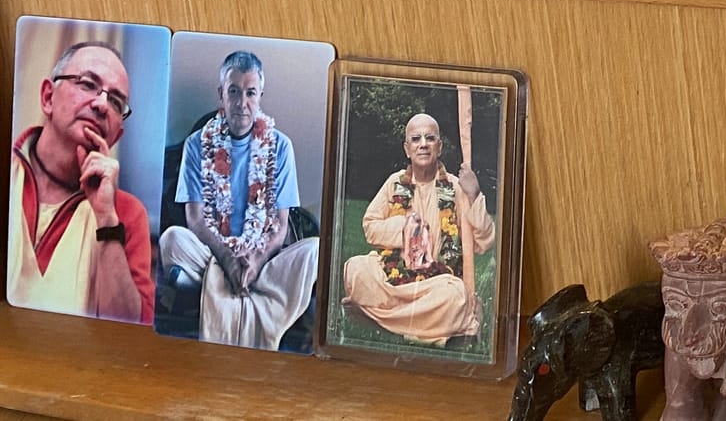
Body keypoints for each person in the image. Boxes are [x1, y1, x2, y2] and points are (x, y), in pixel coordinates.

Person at [159, 50, 318, 348]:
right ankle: (238, 284)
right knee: (171, 240)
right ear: (221, 93)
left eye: (250, 93)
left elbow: (281, 224)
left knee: (315, 251)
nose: (241, 103)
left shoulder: (281, 146)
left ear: (260, 96)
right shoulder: (196, 144)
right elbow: (195, 219)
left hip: (264, 259)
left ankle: (225, 284)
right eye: (233, 91)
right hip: (212, 253)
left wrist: (255, 260)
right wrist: (228, 258)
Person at [8, 40, 153, 323]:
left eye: (116, 101)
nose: (101, 105)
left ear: (116, 136)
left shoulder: (127, 213)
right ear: (48, 97)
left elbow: (127, 333)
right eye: (87, 84)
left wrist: (106, 219)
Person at [341, 113, 494, 346]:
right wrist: (405, 229)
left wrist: (473, 195)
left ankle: (383, 318)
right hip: (395, 278)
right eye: (416, 139)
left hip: (437, 282)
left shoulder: (456, 187)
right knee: (356, 269)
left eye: (430, 138)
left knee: (456, 294)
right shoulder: (395, 183)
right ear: (407, 149)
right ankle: (427, 325)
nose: (423, 144)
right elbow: (370, 227)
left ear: (439, 147)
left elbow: (484, 241)